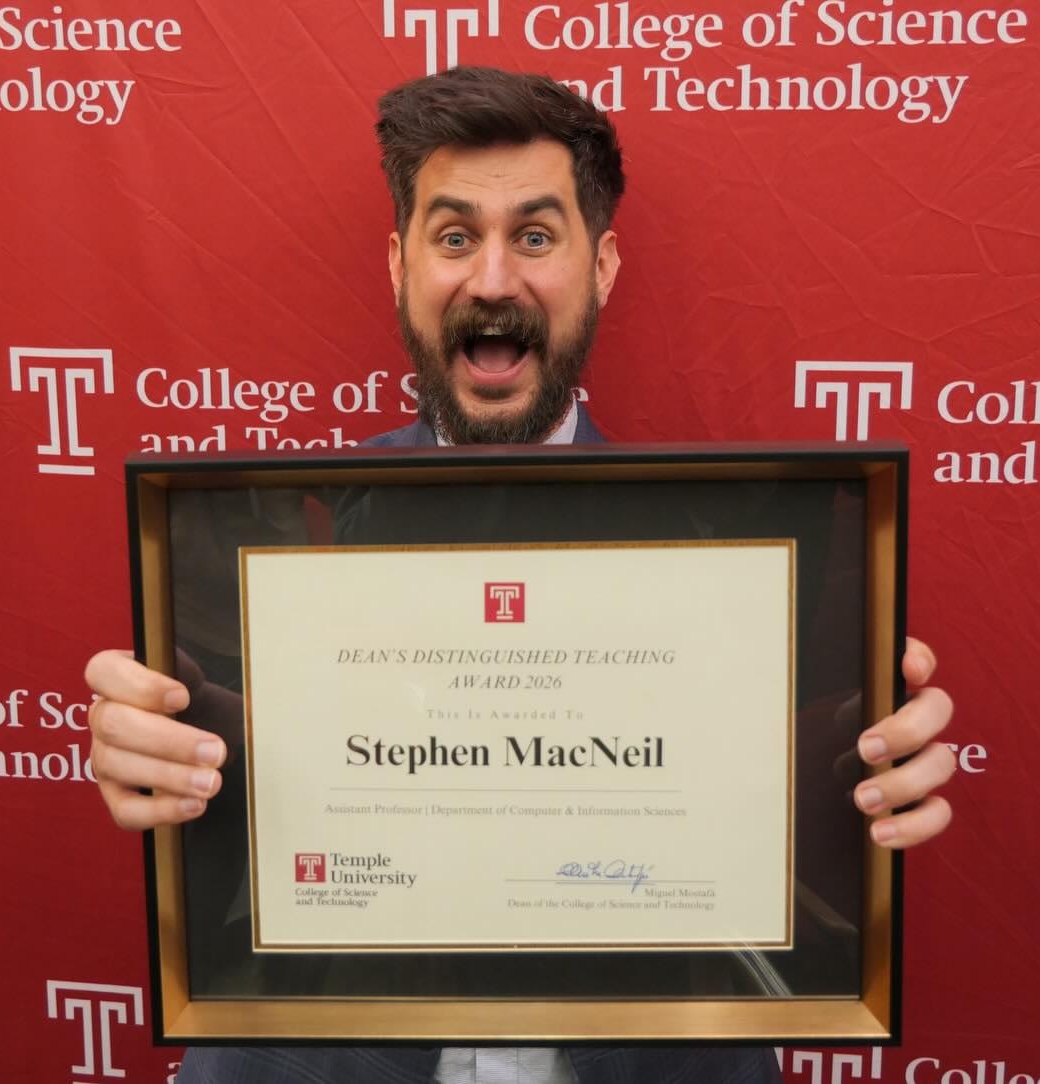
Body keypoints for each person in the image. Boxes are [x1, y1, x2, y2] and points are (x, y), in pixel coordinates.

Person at [84, 66, 956, 1084]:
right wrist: (164, 749)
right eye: (454, 236)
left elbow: (790, 851)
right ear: (399, 264)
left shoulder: (752, 567)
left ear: (604, 265)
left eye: (535, 237)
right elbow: (229, 778)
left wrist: (870, 785)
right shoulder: (275, 548)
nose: (493, 281)